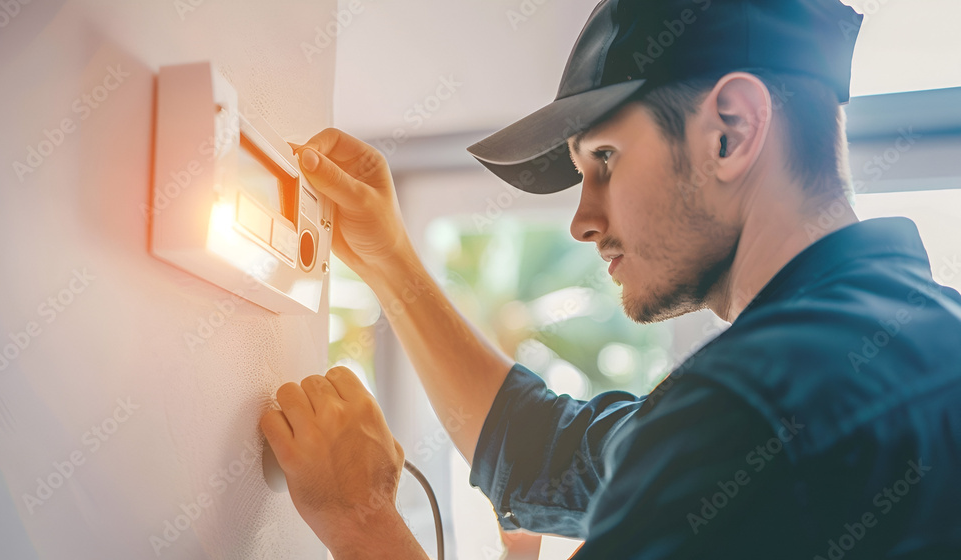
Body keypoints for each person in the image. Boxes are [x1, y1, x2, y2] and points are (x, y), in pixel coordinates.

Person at [259, 0, 961, 558]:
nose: (583, 220)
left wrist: (363, 524)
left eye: (604, 159)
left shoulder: (756, 403)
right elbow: (546, 452)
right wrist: (392, 262)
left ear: (732, 130)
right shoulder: (915, 337)